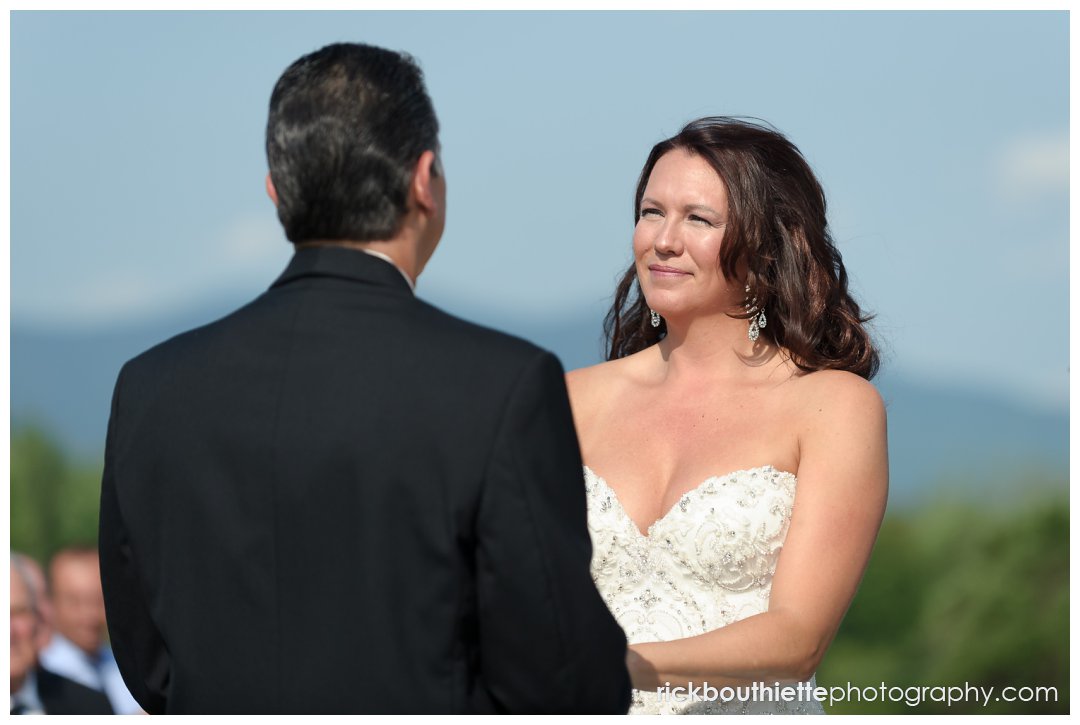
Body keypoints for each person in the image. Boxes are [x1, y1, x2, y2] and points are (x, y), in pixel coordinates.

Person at [98, 42, 629, 714]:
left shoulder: (151, 387)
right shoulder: (501, 386)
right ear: (423, 179)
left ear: (276, 188)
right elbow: (562, 675)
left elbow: (147, 664)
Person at [566, 117, 888, 714]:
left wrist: (622, 665)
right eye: (651, 212)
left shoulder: (832, 406)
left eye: (698, 219)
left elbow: (799, 638)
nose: (663, 239)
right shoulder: (567, 400)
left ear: (768, 244)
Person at [39, 547, 141, 714]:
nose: (89, 614)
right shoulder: (43, 674)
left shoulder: (127, 665)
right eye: (75, 601)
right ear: (51, 603)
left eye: (98, 600)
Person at [11, 553, 114, 715]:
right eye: (75, 601)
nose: (9, 631)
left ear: (38, 617)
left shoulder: (91, 707)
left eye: (18, 612)